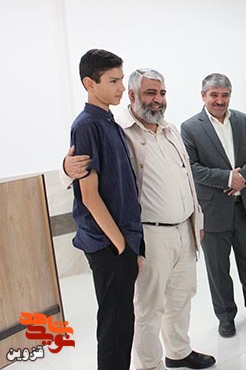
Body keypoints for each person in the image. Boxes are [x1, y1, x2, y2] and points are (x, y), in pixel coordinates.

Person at [64, 68, 216, 370]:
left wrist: (195, 222)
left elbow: (186, 177)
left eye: (162, 93)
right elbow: (80, 166)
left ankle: (178, 351)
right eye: (150, 93)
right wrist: (66, 168)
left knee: (181, 297)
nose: (158, 99)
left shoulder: (170, 130)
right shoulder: (119, 129)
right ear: (132, 95)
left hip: (184, 229)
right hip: (151, 233)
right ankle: (149, 365)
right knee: (149, 307)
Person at [181, 73, 246, 338]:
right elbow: (191, 167)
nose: (220, 100)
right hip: (213, 211)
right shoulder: (190, 128)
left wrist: (243, 177)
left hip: (245, 206)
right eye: (214, 95)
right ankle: (225, 316)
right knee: (218, 268)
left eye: (225, 95)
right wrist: (227, 178)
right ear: (203, 96)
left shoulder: (241, 120)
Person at [69, 49, 143, 370]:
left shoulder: (109, 121)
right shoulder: (86, 125)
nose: (121, 87)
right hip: (108, 245)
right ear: (90, 83)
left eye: (121, 79)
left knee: (123, 323)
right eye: (113, 81)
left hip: (122, 241)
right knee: (114, 327)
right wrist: (122, 247)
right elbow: (89, 196)